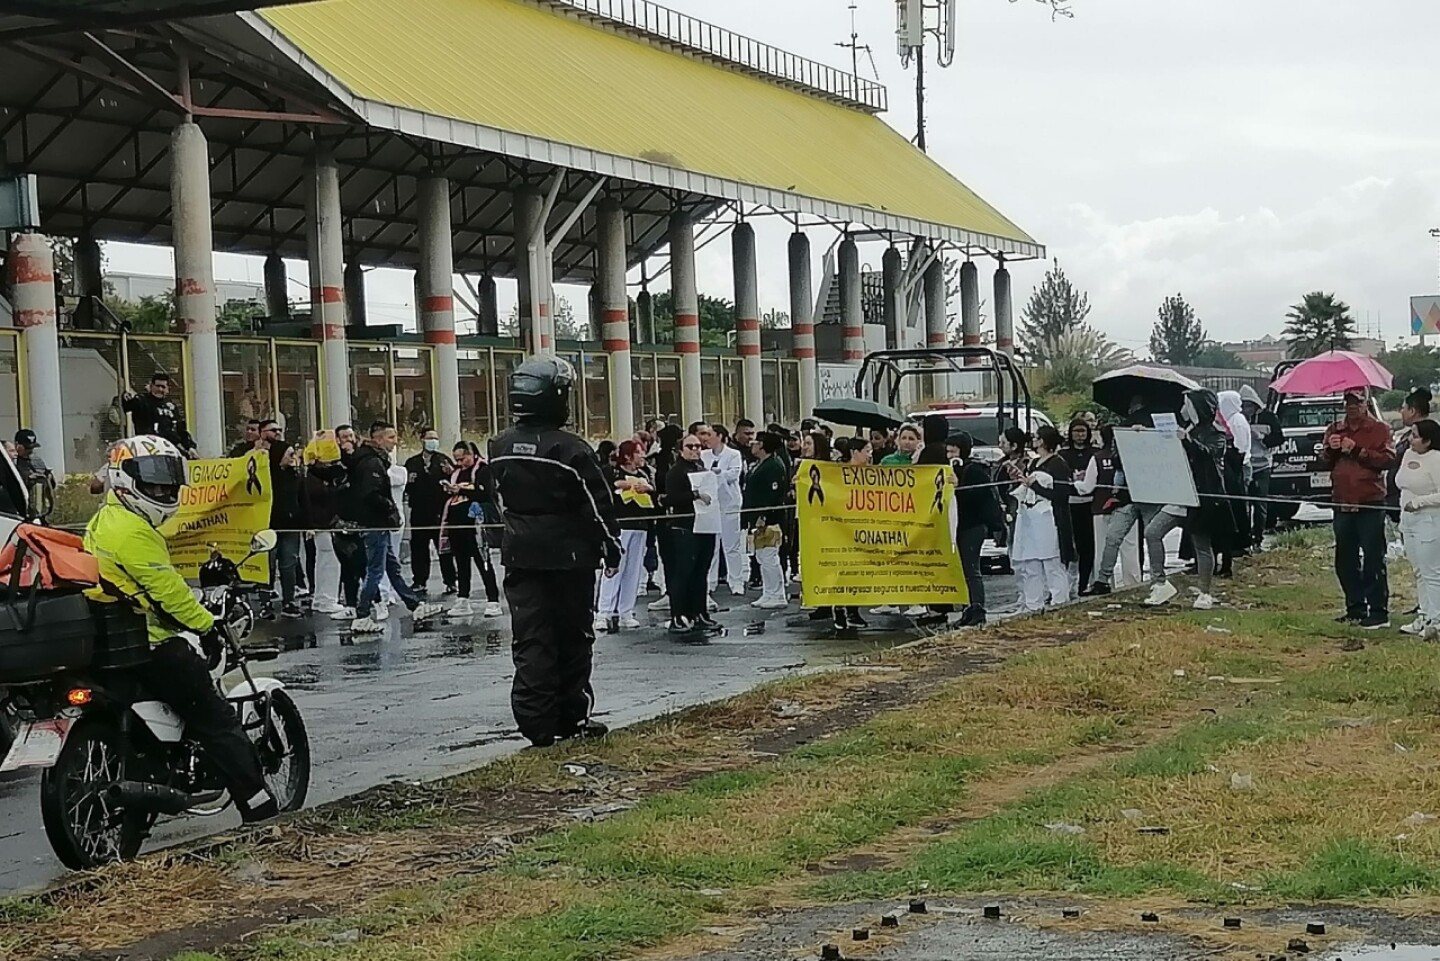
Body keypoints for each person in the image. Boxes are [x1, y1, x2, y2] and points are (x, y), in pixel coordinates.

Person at [84, 435, 277, 823]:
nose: (164, 491)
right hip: (149, 644)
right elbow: (167, 592)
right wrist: (208, 627)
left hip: (104, 643)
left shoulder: (106, 520)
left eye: (169, 484)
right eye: (155, 484)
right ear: (125, 480)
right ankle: (259, 804)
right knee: (215, 718)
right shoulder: (134, 531)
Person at [490, 357, 622, 747]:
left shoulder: (499, 445)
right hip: (569, 556)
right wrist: (613, 548)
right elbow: (597, 505)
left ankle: (535, 723)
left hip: (520, 552)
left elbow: (497, 498)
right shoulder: (570, 448)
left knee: (530, 639)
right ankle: (571, 718)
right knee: (573, 637)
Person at [349, 421, 446, 634]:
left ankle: (414, 605)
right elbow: (371, 493)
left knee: (392, 567)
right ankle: (362, 614)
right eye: (391, 437)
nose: (395, 442)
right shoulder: (371, 462)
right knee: (375, 570)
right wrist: (390, 508)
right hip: (374, 523)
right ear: (378, 439)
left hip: (378, 522)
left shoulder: (374, 460)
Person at [1142, 389, 1234, 610]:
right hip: (1179, 493)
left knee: (1201, 544)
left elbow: (1210, 456)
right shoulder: (1186, 429)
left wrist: (1188, 441)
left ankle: (1205, 592)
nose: (1182, 410)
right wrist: (1145, 435)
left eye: (1186, 405)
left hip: (1201, 496)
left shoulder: (1215, 433)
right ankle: (1160, 582)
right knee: (1152, 532)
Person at [1322, 389, 1396, 629]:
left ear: (1366, 403)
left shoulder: (1379, 429)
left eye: (1357, 402)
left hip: (1369, 501)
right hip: (1342, 501)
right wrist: (1331, 449)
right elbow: (1323, 461)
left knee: (1374, 557)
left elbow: (1386, 460)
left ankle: (1378, 610)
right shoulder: (1335, 428)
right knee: (1345, 559)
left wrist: (1356, 450)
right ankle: (1355, 607)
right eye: (1348, 402)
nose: (1352, 407)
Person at [1006, 425, 1073, 613]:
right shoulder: (1033, 463)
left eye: (1036, 437)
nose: (1034, 440)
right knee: (1031, 563)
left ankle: (1060, 601)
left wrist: (1035, 486)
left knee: (1052, 563)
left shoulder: (1058, 464)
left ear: (1043, 440)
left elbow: (1061, 494)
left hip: (1049, 518)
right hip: (1030, 518)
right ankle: (1033, 603)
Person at [596, 439, 657, 630]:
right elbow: (605, 487)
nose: (642, 456)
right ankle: (603, 612)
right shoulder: (612, 471)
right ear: (629, 455)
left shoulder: (644, 473)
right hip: (620, 526)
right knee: (615, 568)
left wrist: (647, 488)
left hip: (640, 525)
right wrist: (624, 485)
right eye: (639, 452)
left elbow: (654, 493)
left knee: (633, 570)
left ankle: (626, 611)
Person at [665, 431, 721, 635]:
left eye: (698, 446)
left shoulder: (701, 468)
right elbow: (671, 498)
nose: (696, 450)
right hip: (685, 527)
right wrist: (695, 494)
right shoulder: (676, 471)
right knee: (683, 573)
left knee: (701, 573)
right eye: (691, 446)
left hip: (705, 525)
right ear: (681, 450)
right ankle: (678, 615)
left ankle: (699, 612)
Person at [442, 442, 502, 618]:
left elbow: (485, 493)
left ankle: (493, 600)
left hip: (476, 521)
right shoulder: (456, 472)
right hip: (457, 521)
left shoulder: (483, 469)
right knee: (461, 561)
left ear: (472, 454)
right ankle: (463, 598)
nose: (461, 462)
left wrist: (461, 489)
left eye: (463, 458)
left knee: (482, 560)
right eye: (457, 459)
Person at [952, 432, 1006, 626]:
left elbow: (976, 499)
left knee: (972, 568)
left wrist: (958, 487)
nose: (949, 455)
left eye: (953, 450)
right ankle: (969, 607)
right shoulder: (953, 469)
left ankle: (978, 608)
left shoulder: (973, 470)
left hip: (972, 526)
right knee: (964, 569)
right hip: (960, 525)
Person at [1082, 425, 1143, 593]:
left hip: (1102, 508)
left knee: (1103, 547)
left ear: (1102, 438)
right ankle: (1133, 583)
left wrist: (1075, 484)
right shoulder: (1130, 456)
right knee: (1130, 548)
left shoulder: (1098, 457)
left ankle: (1104, 583)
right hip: (1128, 504)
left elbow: (1087, 487)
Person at [1396, 419, 1440, 637]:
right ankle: (1424, 615)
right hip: (1408, 521)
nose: (1410, 439)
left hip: (1428, 521)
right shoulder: (1408, 455)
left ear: (1428, 440)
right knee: (1418, 571)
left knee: (1432, 571)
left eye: (1415, 435)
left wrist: (1419, 503)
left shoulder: (1437, 459)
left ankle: (1437, 620)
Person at [404, 429, 457, 596]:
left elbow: (455, 481)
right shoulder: (412, 462)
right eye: (429, 438)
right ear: (422, 439)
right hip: (419, 510)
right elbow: (407, 486)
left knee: (444, 547)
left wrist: (451, 473)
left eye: (435, 438)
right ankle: (419, 580)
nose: (432, 441)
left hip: (440, 511)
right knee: (419, 547)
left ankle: (450, 581)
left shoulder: (443, 460)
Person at [744, 431, 789, 610]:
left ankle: (778, 593)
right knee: (762, 556)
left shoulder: (774, 466)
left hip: (769, 519)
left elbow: (773, 494)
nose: (752, 444)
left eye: (756, 441)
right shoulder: (759, 464)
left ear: (762, 445)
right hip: (755, 516)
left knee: (770, 556)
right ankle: (768, 592)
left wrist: (764, 515)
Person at [701, 422, 746, 598]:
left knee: (731, 545)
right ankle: (710, 581)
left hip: (729, 503)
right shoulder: (704, 455)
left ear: (719, 436)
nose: (706, 439)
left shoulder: (734, 454)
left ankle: (736, 581)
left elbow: (734, 474)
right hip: (710, 503)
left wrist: (718, 473)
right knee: (711, 544)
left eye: (710, 435)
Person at [1240, 385, 1285, 547]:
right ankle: (1245, 537)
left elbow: (1279, 438)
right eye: (1243, 406)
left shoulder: (1268, 417)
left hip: (1262, 465)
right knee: (1244, 503)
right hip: (1244, 465)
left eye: (1249, 406)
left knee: (1260, 503)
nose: (1247, 409)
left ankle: (1258, 537)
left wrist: (1262, 439)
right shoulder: (1238, 419)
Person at [1060, 419, 1097, 594]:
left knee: (1088, 546)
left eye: (1083, 431)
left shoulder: (1094, 453)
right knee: (1070, 545)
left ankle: (1085, 583)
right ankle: (1067, 584)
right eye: (1076, 431)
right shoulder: (1063, 455)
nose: (1080, 435)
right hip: (1070, 503)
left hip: (1090, 504)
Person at [122, 372, 197, 454]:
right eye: (157, 386)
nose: (160, 389)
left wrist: (190, 447)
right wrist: (125, 396)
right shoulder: (141, 401)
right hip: (148, 449)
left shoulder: (171, 406)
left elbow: (180, 429)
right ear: (151, 386)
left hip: (170, 449)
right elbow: (127, 407)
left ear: (167, 389)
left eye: (163, 387)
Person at [12, 429, 53, 500]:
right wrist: (28, 478)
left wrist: (48, 477)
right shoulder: (12, 461)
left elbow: (51, 486)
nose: (30, 451)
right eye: (27, 448)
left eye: (32, 448)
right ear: (17, 445)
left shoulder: (37, 461)